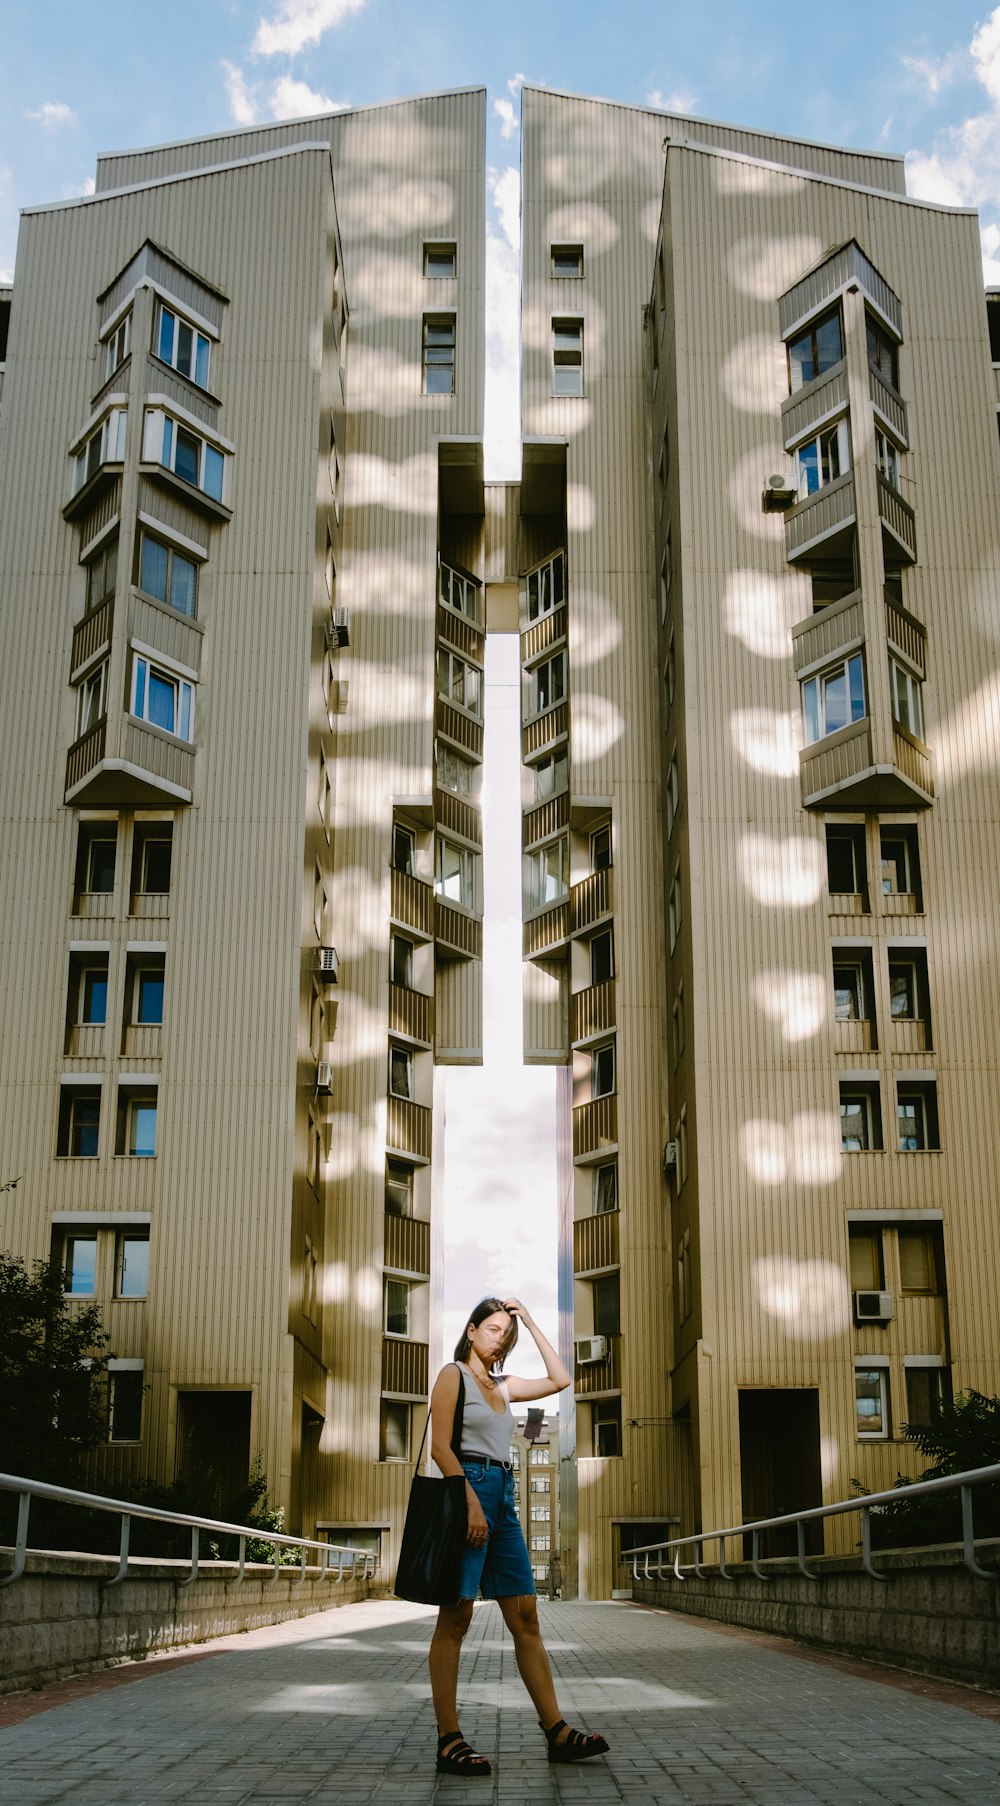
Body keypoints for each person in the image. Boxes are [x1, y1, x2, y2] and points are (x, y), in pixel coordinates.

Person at [427, 1294, 610, 1777]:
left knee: (525, 1615)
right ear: (470, 1331)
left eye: (504, 1334)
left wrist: (525, 1319)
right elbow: (439, 1447)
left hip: (503, 1494)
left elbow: (560, 1379)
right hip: (467, 1487)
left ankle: (556, 1731)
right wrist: (469, 1501)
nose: (498, 1339)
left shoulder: (503, 1386)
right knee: (457, 1616)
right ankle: (449, 1740)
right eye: (491, 1329)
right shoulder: (454, 1376)